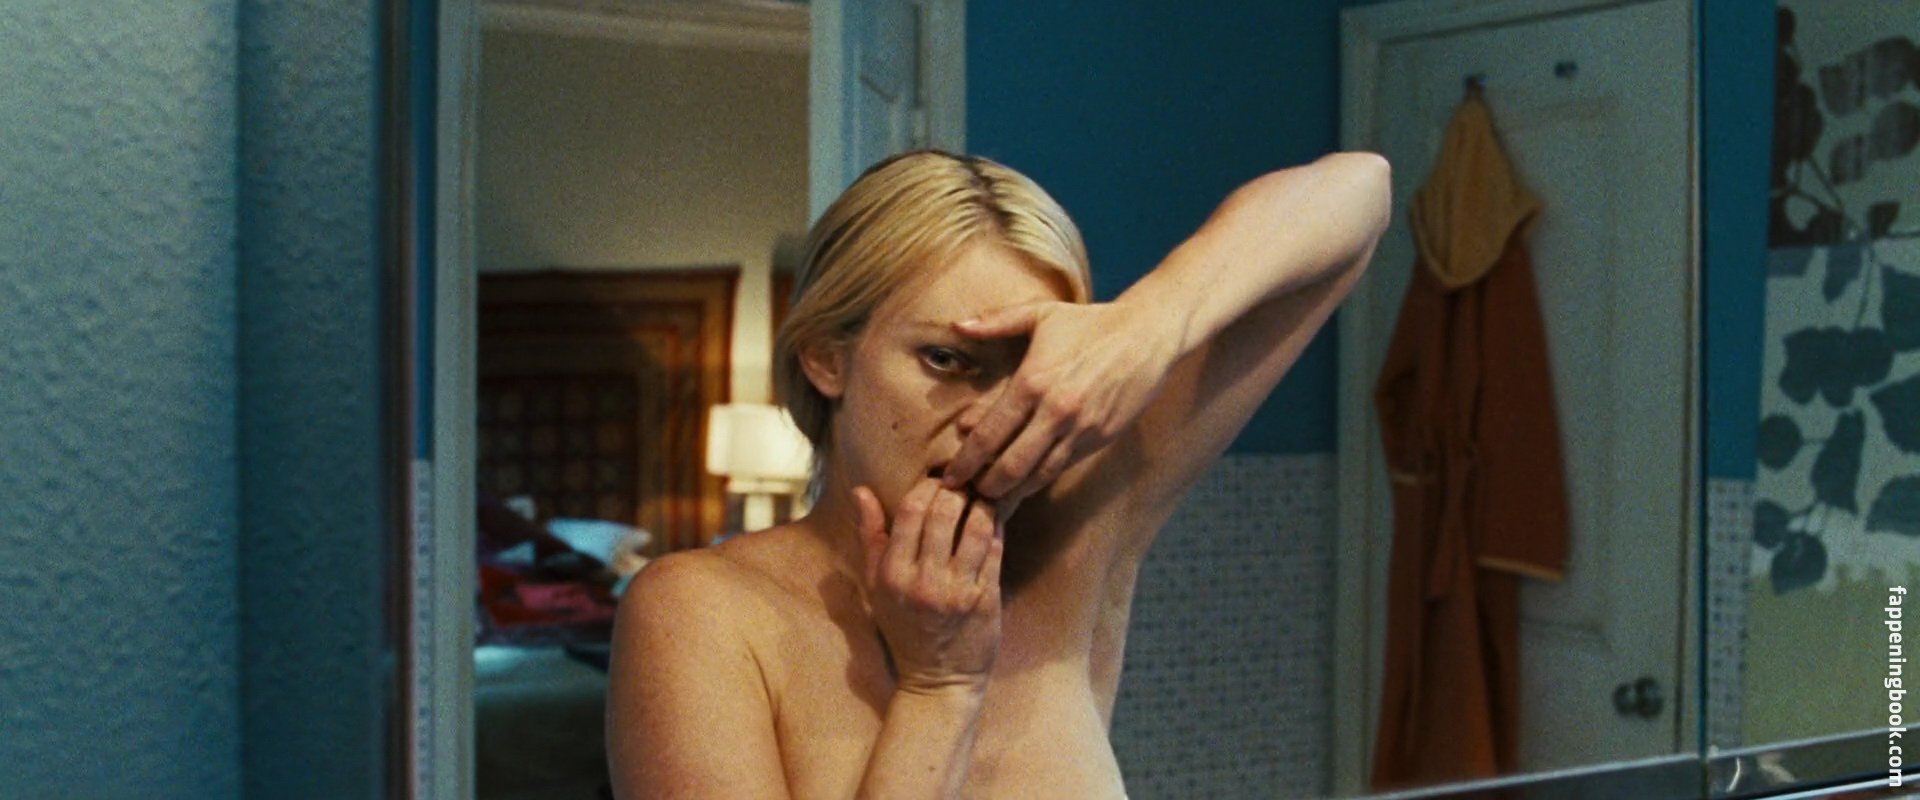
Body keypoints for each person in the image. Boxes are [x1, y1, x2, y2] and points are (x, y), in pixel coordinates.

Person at [607, 149, 1390, 799]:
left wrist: (1145, 325)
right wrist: (939, 689)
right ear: (826, 358)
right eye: (947, 360)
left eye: (1030, 368)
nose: (997, 415)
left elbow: (1361, 191)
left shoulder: (1080, 525)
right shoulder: (702, 614)